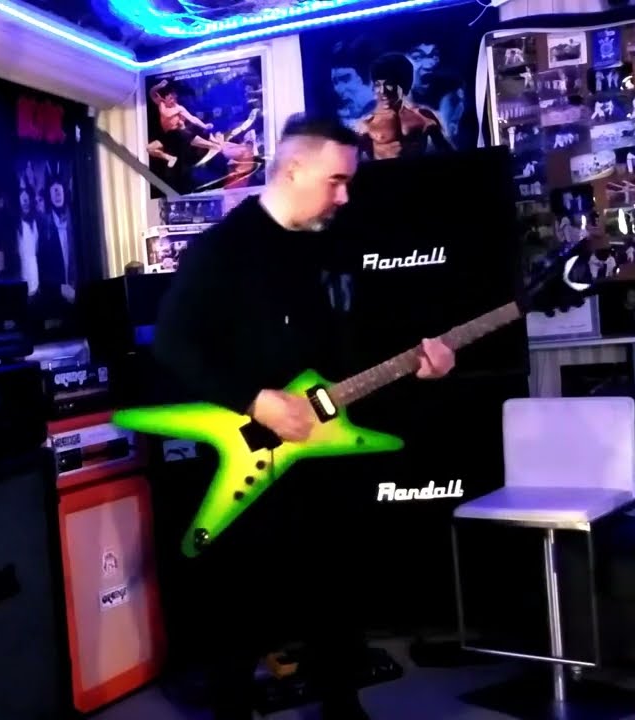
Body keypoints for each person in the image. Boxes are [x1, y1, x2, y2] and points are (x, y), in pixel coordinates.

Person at [151, 114, 456, 720]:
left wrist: (420, 360)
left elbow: (360, 335)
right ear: (293, 170)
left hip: (329, 452)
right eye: (335, 181)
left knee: (337, 586)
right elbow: (174, 344)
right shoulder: (224, 249)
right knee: (243, 601)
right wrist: (254, 398)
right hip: (253, 457)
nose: (345, 196)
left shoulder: (332, 242)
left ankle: (342, 704)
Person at [355, 53, 453, 160]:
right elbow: (353, 162)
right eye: (378, 84)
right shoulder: (367, 124)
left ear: (403, 83)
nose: (382, 91)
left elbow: (447, 152)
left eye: (389, 84)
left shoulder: (423, 116)